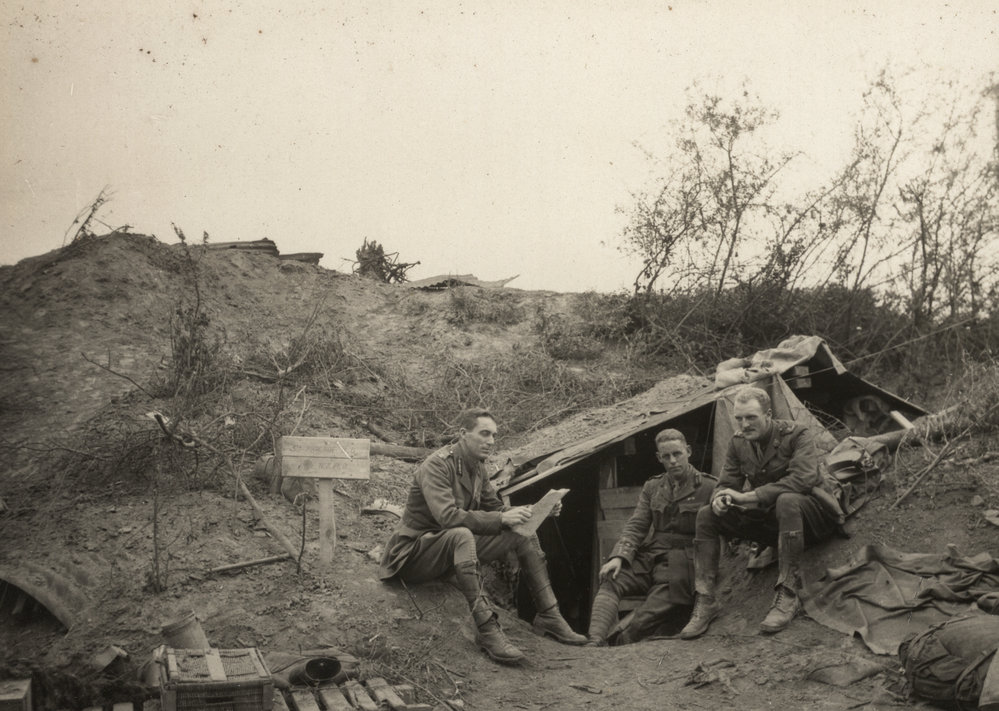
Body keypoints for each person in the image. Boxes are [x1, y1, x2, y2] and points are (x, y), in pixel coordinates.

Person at [378, 408, 587, 664]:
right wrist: (501, 519)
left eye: (494, 435)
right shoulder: (436, 465)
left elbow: (496, 509)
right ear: (463, 434)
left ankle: (549, 614)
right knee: (461, 534)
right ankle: (488, 630)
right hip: (413, 555)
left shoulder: (477, 467)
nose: (490, 441)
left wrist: (536, 511)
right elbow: (448, 517)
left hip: (449, 553)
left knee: (523, 532)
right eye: (484, 434)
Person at [679, 386, 840, 639]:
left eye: (751, 417)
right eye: (739, 418)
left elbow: (803, 480)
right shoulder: (738, 442)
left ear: (768, 413)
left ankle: (788, 593)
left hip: (814, 519)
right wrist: (720, 498)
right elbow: (725, 483)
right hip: (776, 524)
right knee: (706, 514)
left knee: (787, 499)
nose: (744, 424)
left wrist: (748, 496)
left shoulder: (798, 434)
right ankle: (706, 600)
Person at [585, 428, 714, 646]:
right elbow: (637, 524)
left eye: (677, 454)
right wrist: (619, 556)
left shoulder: (709, 487)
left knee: (640, 623)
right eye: (666, 456)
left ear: (688, 451)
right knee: (611, 578)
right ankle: (593, 642)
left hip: (683, 566)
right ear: (659, 458)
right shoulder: (653, 487)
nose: (672, 461)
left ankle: (618, 646)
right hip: (652, 558)